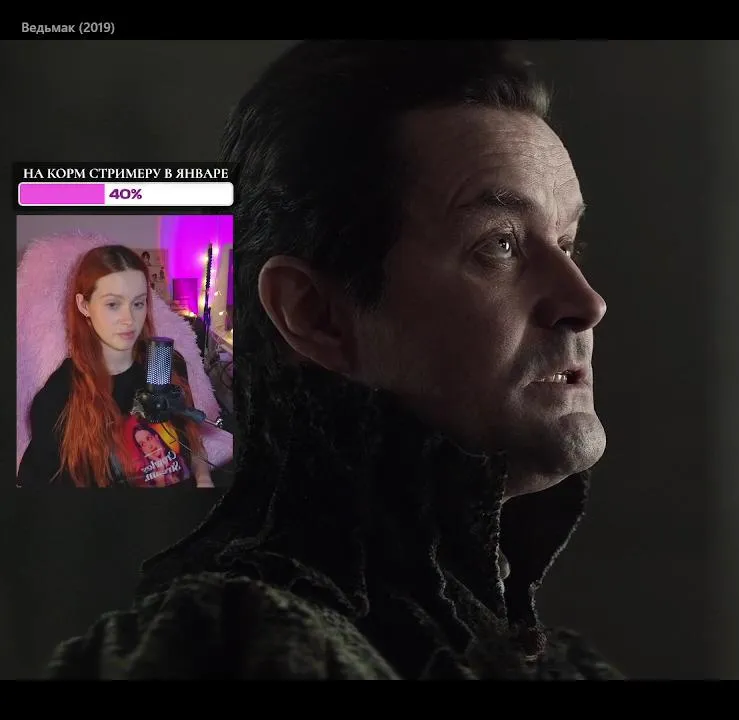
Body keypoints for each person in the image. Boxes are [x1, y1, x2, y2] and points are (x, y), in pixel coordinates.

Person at [46, 41, 623, 679]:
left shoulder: (557, 666)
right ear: (315, 315)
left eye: (568, 241)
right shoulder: (230, 650)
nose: (586, 303)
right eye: (501, 244)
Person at [18, 244, 213, 489]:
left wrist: (204, 478)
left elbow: (191, 442)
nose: (129, 320)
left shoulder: (166, 362)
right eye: (113, 304)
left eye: (138, 303)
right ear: (84, 305)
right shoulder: (57, 398)